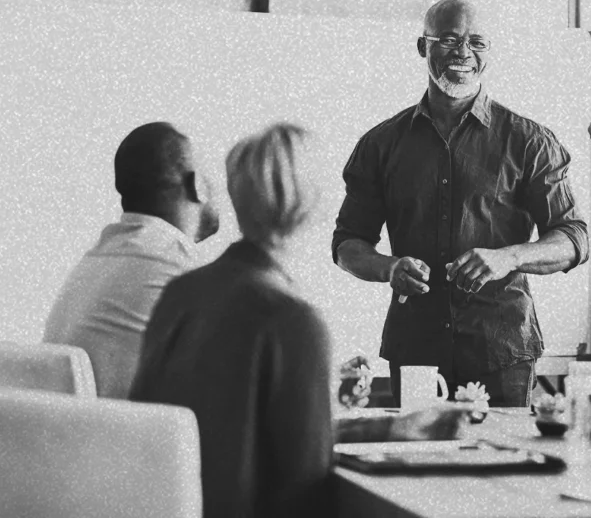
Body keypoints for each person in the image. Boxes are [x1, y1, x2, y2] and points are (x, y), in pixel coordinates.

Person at [130, 123, 467, 518]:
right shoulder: (292, 320)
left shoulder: (181, 293)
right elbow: (303, 489)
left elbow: (251, 434)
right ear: (317, 204)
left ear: (237, 195)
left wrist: (387, 430)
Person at [331, 0, 589, 407]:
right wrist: (388, 268)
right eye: (449, 40)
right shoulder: (380, 145)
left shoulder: (530, 141)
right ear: (423, 47)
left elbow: (574, 238)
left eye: (477, 42)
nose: (464, 53)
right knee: (418, 467)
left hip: (501, 352)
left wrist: (509, 258)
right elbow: (347, 244)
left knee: (503, 468)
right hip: (415, 352)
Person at [43, 121, 220, 398]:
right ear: (198, 185)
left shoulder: (93, 263)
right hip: (125, 439)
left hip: (76, 437)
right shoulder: (179, 267)